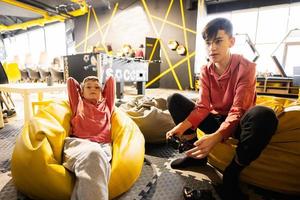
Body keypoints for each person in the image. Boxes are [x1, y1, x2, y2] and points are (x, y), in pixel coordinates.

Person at [166, 18, 278, 200]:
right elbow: (202, 106)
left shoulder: (247, 67)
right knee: (174, 100)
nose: (212, 48)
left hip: (241, 124)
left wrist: (217, 136)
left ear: (231, 42)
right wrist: (183, 126)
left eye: (218, 41)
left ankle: (233, 171)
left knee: (265, 115)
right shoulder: (205, 70)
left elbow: (238, 111)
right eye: (208, 43)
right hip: (217, 119)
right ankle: (195, 155)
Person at [63, 75, 115, 200]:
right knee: (95, 155)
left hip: (102, 146)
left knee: (97, 162)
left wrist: (100, 89)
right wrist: (81, 89)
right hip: (79, 143)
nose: (93, 89)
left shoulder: (107, 105)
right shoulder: (78, 103)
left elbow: (111, 81)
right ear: (81, 91)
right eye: (88, 87)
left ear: (102, 92)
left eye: (97, 87)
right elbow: (70, 81)